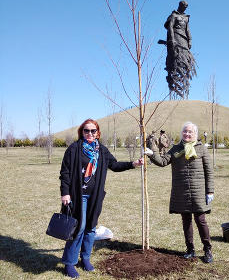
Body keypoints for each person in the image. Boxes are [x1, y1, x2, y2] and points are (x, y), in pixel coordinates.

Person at [59, 119, 144, 278]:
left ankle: (85, 259)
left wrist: (134, 163)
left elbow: (115, 165)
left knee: (91, 227)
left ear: (98, 133)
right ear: (81, 132)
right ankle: (69, 263)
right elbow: (65, 173)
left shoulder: (102, 151)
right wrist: (65, 193)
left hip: (95, 196)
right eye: (86, 130)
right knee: (78, 227)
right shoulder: (74, 149)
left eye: (93, 131)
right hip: (78, 195)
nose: (90, 134)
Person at [145, 121, 214, 263]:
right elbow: (163, 161)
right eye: (185, 131)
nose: (187, 134)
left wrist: (210, 191)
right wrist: (152, 153)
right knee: (186, 220)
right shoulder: (176, 149)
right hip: (182, 191)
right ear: (182, 133)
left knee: (200, 220)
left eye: (190, 132)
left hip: (199, 191)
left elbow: (209, 171)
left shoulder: (201, 149)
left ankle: (207, 250)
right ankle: (190, 249)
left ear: (195, 134)